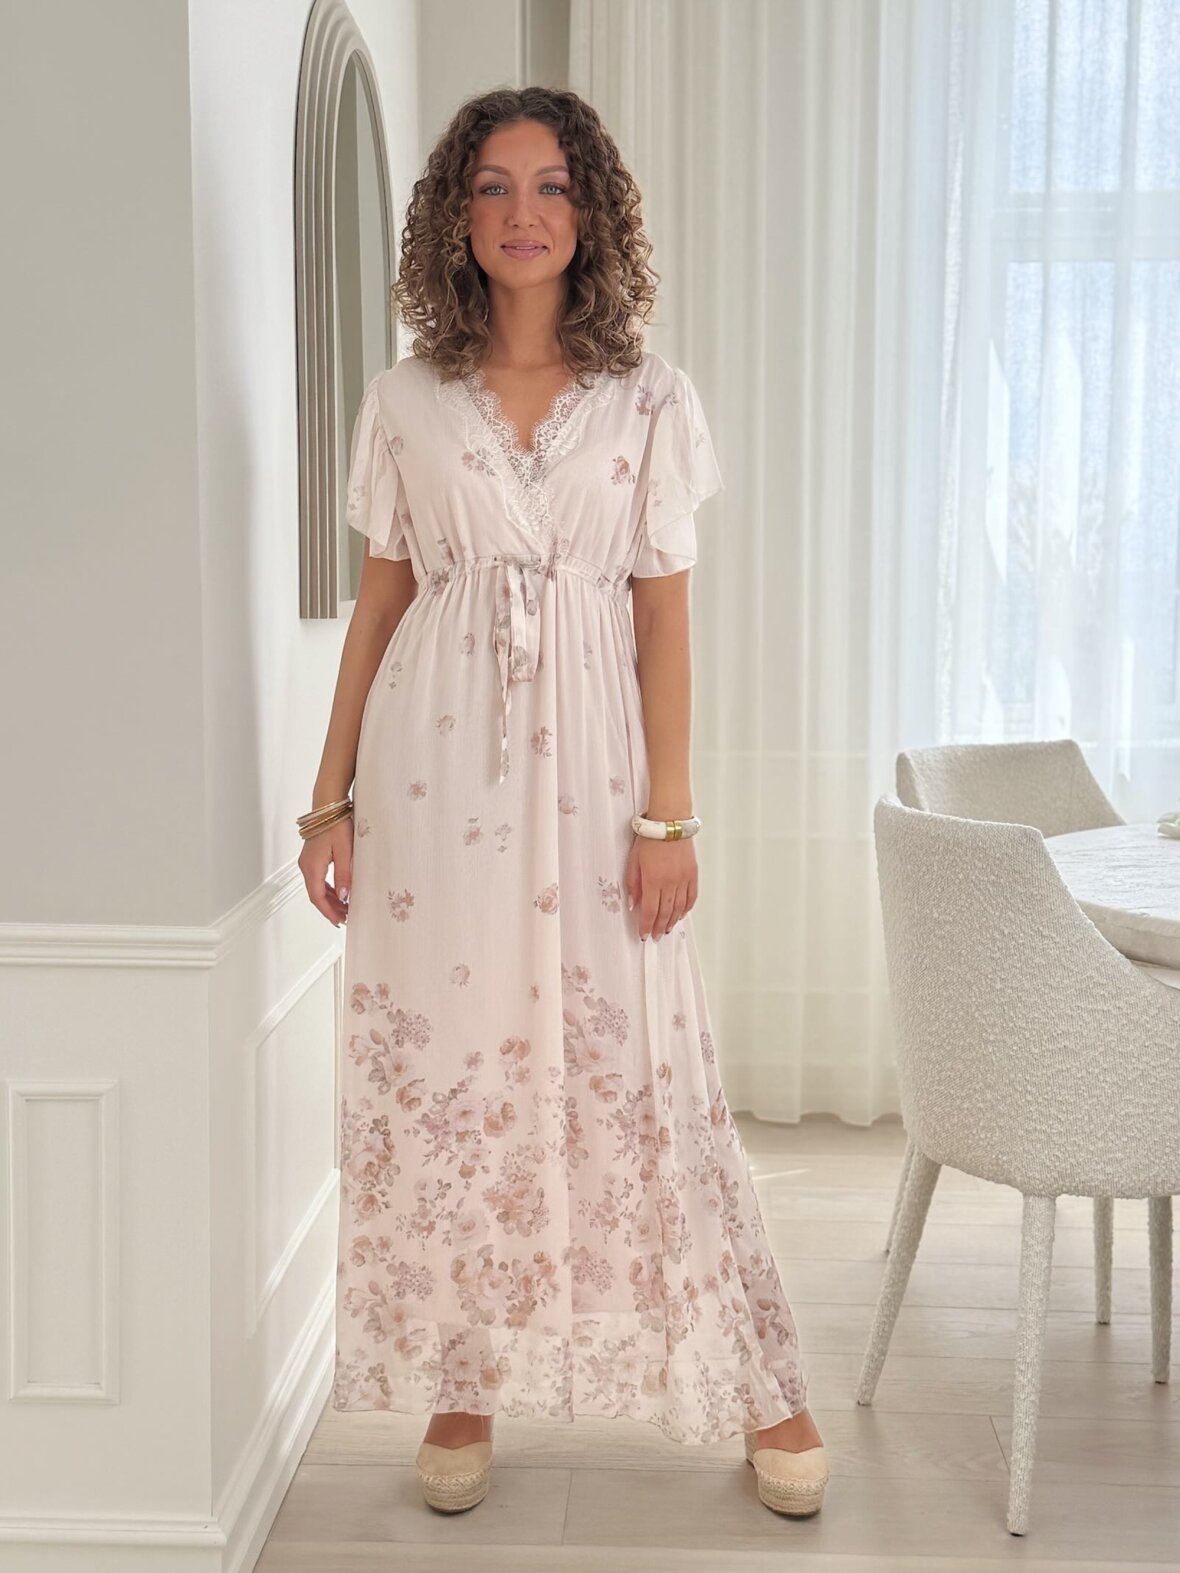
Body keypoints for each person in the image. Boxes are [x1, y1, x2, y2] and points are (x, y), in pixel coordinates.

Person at [298, 85, 827, 1520]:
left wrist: (672, 815)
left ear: (589, 213)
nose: (521, 212)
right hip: (434, 771)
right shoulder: (405, 401)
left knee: (648, 1061)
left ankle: (759, 1382)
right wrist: (328, 799)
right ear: (455, 217)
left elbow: (664, 616)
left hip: (601, 777)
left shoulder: (651, 397)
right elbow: (380, 606)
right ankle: (463, 1377)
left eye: (549, 185)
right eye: (492, 186)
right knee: (458, 1065)